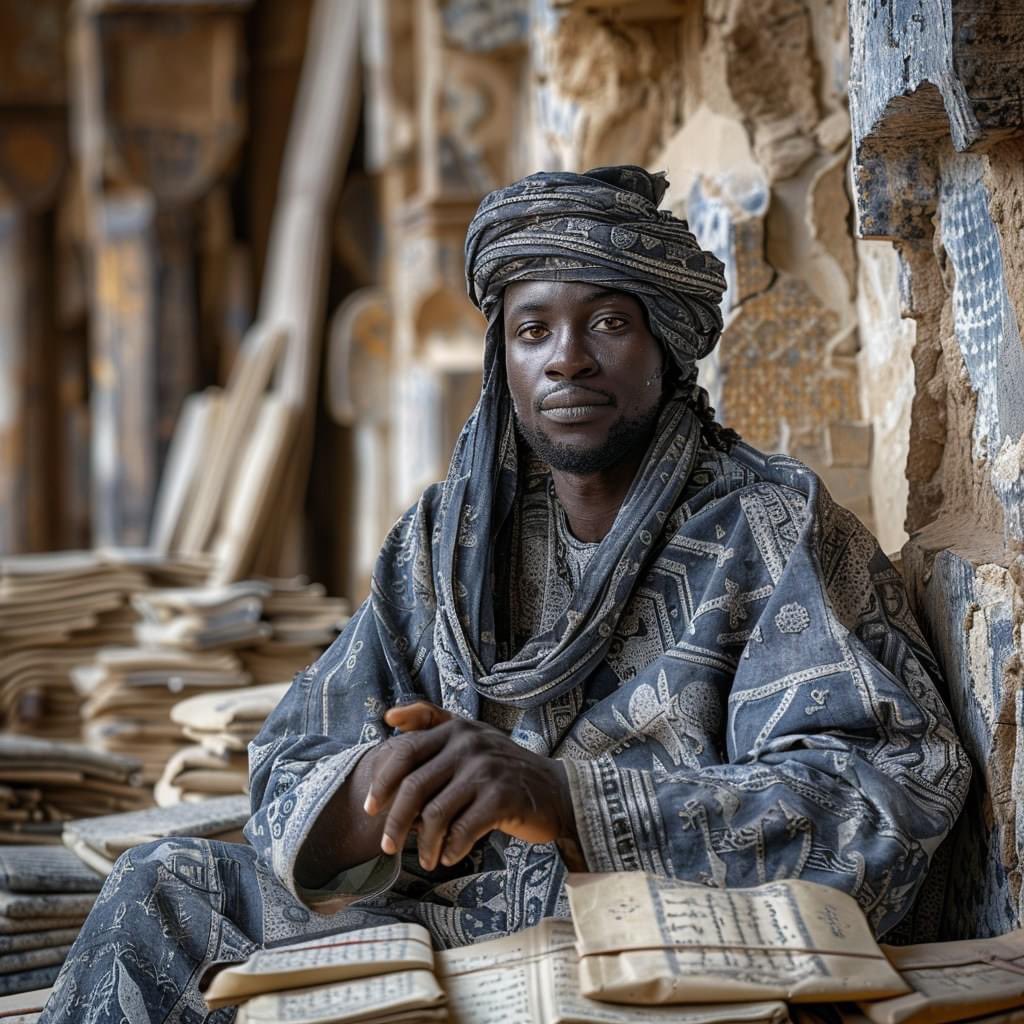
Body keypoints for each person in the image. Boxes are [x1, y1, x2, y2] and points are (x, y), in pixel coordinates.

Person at [41, 166, 970, 1023]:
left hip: (661, 954)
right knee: (162, 889)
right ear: (505, 360)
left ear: (668, 348)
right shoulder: (446, 544)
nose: (566, 359)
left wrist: (562, 800)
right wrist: (374, 789)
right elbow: (292, 758)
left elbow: (884, 791)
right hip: (453, 934)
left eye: (608, 323)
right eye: (533, 331)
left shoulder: (769, 530)